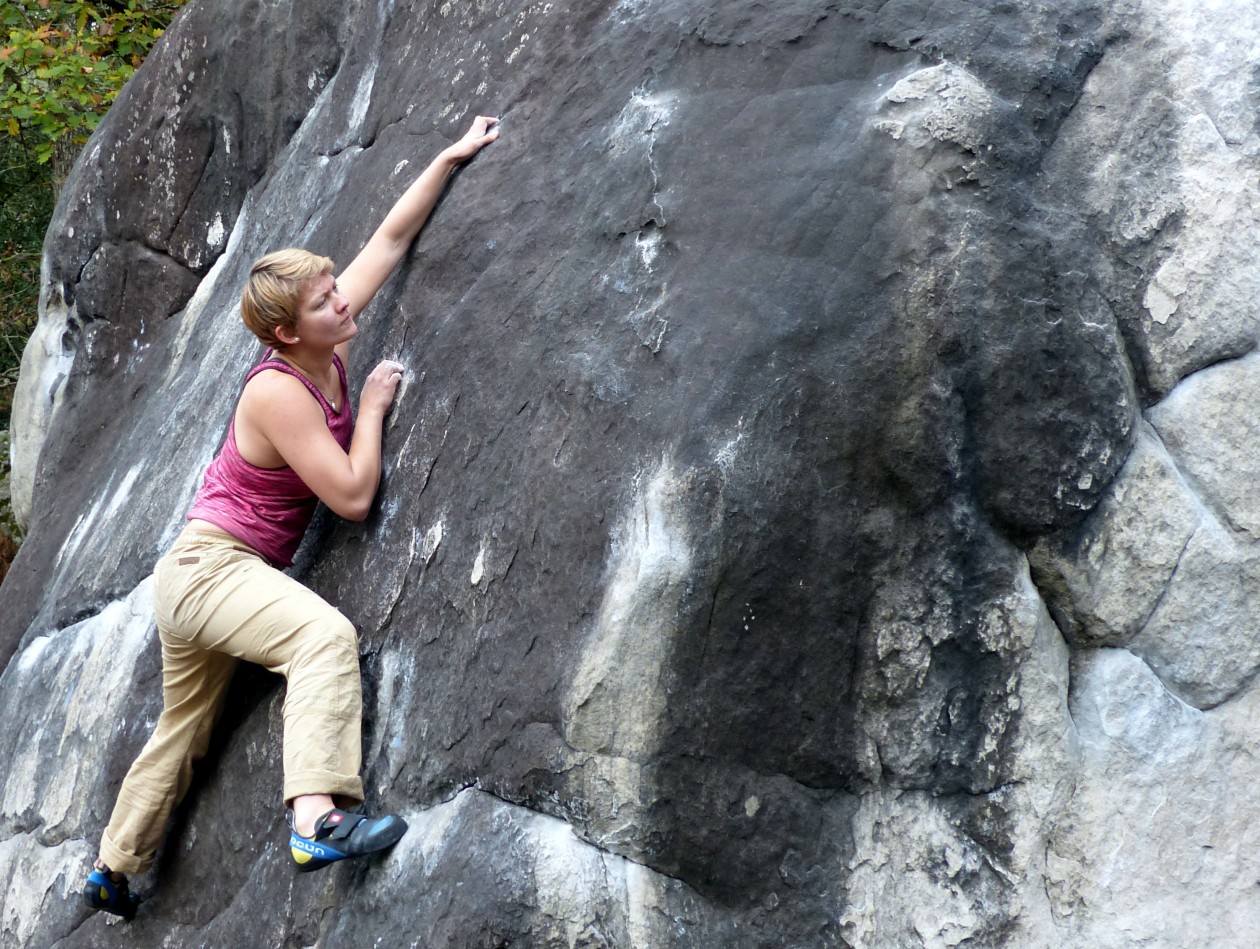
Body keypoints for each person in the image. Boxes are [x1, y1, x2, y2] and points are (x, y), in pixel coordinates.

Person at [83, 114, 500, 920]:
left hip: (203, 575)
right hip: (213, 569)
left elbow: (387, 239)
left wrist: (449, 157)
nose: (342, 300)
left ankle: (113, 866)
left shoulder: (326, 342)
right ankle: (316, 820)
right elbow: (349, 495)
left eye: (333, 287)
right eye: (323, 300)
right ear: (287, 330)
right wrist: (373, 408)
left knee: (185, 724)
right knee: (323, 639)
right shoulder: (278, 389)